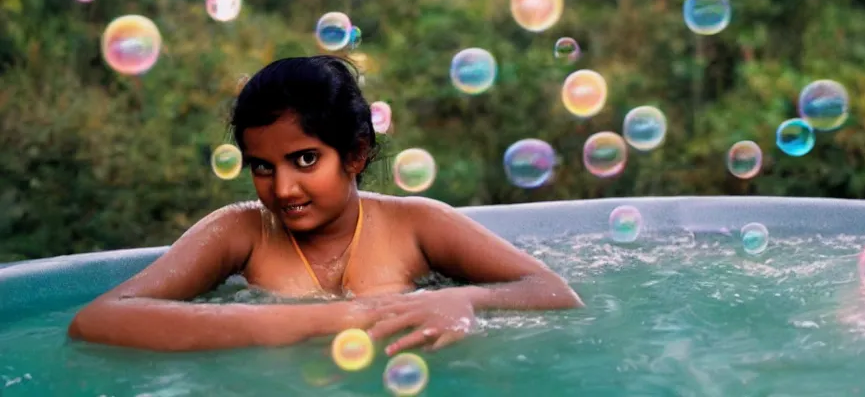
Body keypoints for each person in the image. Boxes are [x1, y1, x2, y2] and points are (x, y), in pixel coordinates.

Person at [68, 55, 583, 353]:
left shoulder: (417, 225)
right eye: (263, 167)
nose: (283, 188)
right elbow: (97, 319)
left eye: (306, 159)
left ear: (355, 154)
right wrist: (331, 319)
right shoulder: (240, 234)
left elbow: (554, 292)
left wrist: (464, 300)